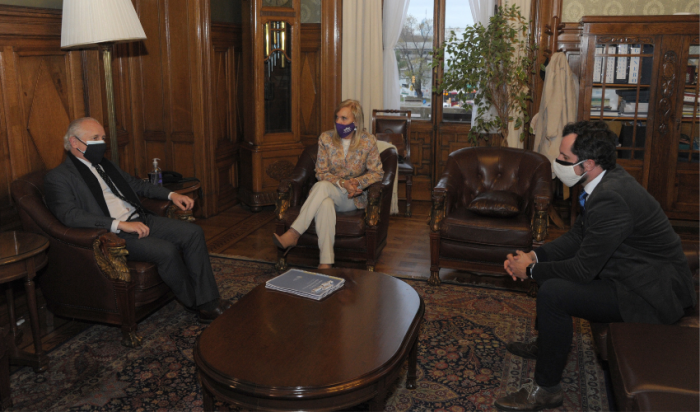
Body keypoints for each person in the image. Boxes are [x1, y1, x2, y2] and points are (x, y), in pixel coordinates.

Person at [494, 120, 696, 411]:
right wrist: (535, 256)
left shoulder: (612, 197)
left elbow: (581, 270)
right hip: (632, 273)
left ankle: (546, 389)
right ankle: (549, 344)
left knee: (553, 292)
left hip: (650, 294)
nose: (558, 162)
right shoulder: (605, 180)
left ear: (588, 164)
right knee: (551, 278)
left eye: (564, 158)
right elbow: (578, 235)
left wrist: (530, 271)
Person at [44, 117, 231, 324]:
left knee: (193, 233)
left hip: (140, 219)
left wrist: (171, 195)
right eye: (95, 138)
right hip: (115, 233)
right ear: (74, 142)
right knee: (166, 250)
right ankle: (196, 303)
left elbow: (136, 185)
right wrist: (119, 224)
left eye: (103, 138)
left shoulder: (104, 164)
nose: (101, 143)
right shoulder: (58, 177)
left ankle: (208, 301)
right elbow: (70, 215)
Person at [273, 99, 384, 268]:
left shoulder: (368, 141)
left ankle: (294, 233)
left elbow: (377, 173)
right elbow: (321, 172)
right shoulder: (326, 138)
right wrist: (342, 183)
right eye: (337, 117)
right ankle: (326, 263)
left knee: (321, 188)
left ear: (355, 121)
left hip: (352, 198)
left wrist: (357, 182)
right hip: (328, 191)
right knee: (324, 201)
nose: (338, 122)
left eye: (343, 119)